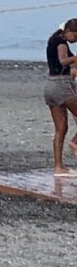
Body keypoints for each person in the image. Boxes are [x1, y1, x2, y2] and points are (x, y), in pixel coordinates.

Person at [45, 20, 77, 176]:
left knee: (60, 129)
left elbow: (66, 67)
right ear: (69, 31)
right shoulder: (62, 43)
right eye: (76, 36)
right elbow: (63, 61)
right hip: (62, 86)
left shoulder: (53, 40)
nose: (76, 40)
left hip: (50, 85)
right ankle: (74, 143)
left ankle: (58, 167)